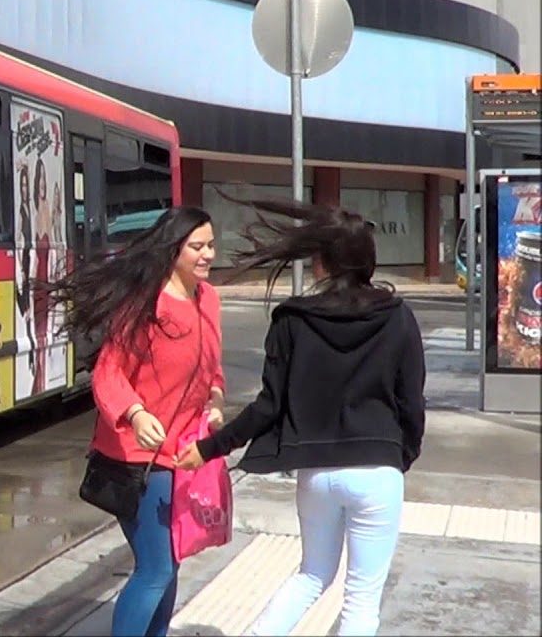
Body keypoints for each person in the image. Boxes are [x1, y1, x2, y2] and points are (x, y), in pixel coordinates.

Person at [175, 197, 426, 637]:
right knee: (362, 599)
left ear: (322, 263)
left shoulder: (292, 319)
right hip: (378, 469)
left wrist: (209, 448)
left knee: (311, 576)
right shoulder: (399, 318)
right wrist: (401, 454)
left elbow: (268, 406)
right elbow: (412, 402)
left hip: (317, 474)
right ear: (367, 260)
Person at [42, 206, 226, 637]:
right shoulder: (145, 304)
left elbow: (211, 369)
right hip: (137, 457)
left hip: (183, 455)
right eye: (196, 246)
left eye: (211, 245)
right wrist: (136, 414)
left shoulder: (209, 299)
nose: (207, 255)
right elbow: (108, 372)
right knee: (156, 568)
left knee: (170, 563)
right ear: (173, 249)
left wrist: (216, 400)